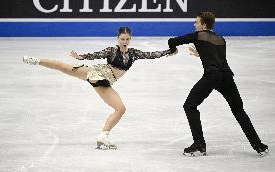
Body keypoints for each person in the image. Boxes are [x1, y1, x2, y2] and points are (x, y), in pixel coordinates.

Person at [23, 27, 176, 150]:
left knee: (120, 109)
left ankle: (103, 137)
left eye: (127, 39)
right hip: (98, 72)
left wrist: (169, 51)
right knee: (66, 68)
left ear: (130, 39)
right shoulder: (112, 50)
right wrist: (81, 57)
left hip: (106, 81)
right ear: (118, 38)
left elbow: (151, 54)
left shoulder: (134, 53)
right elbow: (97, 54)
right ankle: (36, 61)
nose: (124, 41)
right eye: (122, 39)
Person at [168, 12, 269, 156]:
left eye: (196, 22)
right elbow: (216, 56)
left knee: (189, 105)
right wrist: (201, 53)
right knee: (239, 110)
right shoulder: (221, 39)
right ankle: (260, 146)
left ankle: (199, 145)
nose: (194, 25)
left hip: (212, 76)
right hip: (227, 76)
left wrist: (173, 50)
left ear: (204, 25)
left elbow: (172, 41)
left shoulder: (198, 35)